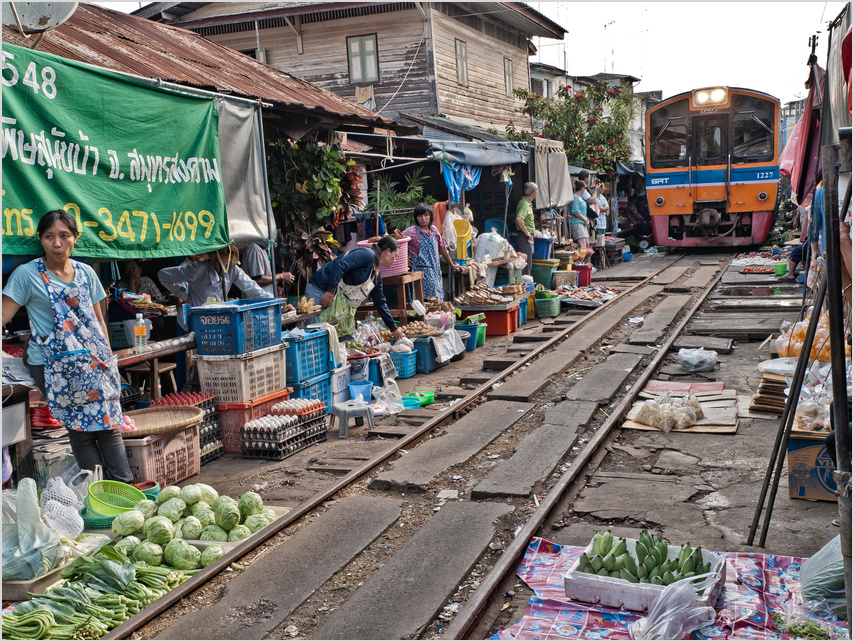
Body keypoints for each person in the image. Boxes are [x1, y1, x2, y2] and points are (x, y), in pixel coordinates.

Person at [1, 209, 133, 483]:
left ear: (75, 238)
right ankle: (98, 494)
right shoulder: (26, 275)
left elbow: (99, 320)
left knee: (109, 425)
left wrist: (107, 360)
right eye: (49, 237)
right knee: (80, 430)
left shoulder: (86, 273)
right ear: (41, 240)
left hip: (95, 361)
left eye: (64, 236)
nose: (57, 243)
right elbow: (3, 314)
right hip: (54, 365)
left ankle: (125, 489)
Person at [306, 236, 406, 338]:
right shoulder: (367, 254)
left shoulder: (376, 275)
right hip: (321, 291)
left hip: (335, 305)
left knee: (331, 342)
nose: (395, 260)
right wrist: (330, 292)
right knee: (315, 337)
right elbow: (341, 264)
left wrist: (394, 328)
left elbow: (380, 302)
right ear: (388, 251)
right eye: (396, 255)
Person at [157, 246, 274, 308]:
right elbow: (163, 275)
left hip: (219, 319)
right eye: (214, 253)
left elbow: (252, 288)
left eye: (222, 253)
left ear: (230, 255)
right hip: (198, 320)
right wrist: (183, 294)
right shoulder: (197, 269)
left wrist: (275, 302)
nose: (217, 258)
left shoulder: (233, 270)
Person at [403, 203, 462, 300]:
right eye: (420, 216)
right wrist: (404, 260)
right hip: (420, 274)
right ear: (416, 217)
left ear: (430, 216)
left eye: (426, 215)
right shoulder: (410, 232)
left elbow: (442, 248)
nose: (423, 218)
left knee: (437, 301)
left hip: (435, 271)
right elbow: (397, 243)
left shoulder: (434, 230)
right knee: (423, 302)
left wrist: (452, 265)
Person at [514, 182, 538, 276]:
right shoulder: (524, 204)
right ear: (535, 192)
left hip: (525, 237)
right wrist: (527, 233)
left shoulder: (526, 203)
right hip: (524, 237)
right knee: (526, 266)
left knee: (527, 263)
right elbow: (519, 219)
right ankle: (525, 285)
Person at [568, 179, 591, 250]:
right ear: (582, 188)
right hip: (577, 223)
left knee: (587, 244)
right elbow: (575, 211)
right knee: (583, 246)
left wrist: (586, 219)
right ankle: (581, 260)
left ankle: (585, 261)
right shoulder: (574, 197)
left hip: (583, 223)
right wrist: (585, 219)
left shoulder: (581, 197)